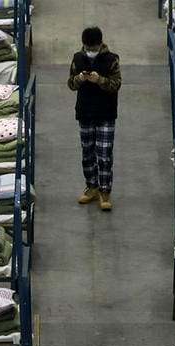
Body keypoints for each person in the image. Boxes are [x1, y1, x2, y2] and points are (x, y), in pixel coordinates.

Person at [67, 26, 121, 210]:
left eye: (93, 48)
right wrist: (80, 80)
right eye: (88, 48)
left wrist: (100, 80)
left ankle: (105, 191)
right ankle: (92, 187)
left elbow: (116, 85)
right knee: (87, 152)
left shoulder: (112, 60)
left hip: (105, 113)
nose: (90, 52)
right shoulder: (77, 59)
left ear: (100, 44)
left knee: (104, 155)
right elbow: (71, 84)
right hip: (85, 112)